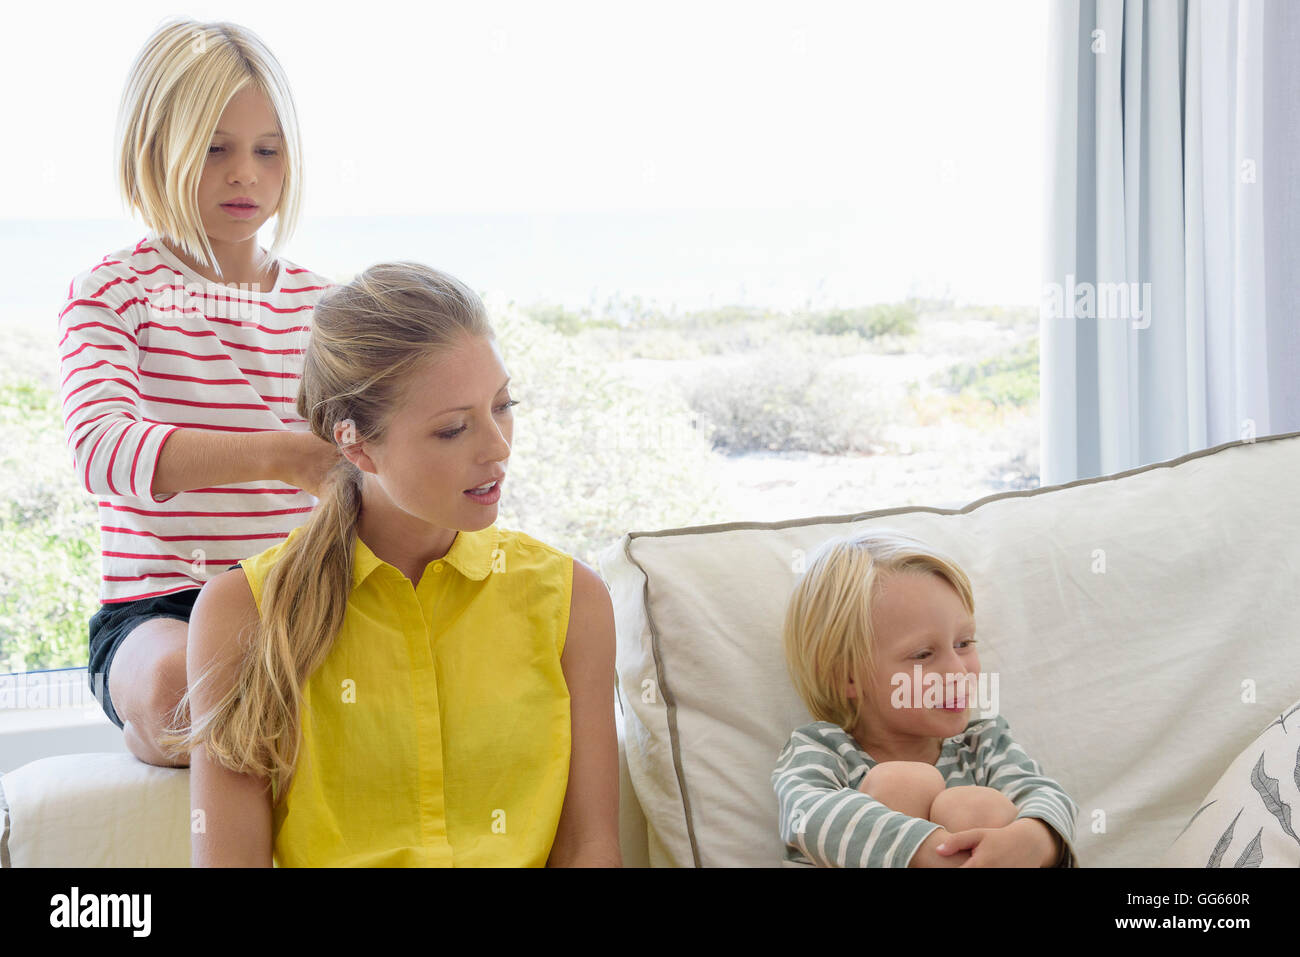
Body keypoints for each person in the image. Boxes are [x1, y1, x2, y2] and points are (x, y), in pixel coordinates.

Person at [157, 262, 621, 867]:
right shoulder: (243, 610)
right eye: (453, 429)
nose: (498, 447)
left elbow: (591, 846)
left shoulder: (571, 600)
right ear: (355, 443)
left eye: (503, 406)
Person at [58, 18, 338, 769]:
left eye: (267, 150)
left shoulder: (330, 308)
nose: (244, 172)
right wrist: (287, 456)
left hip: (299, 599)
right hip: (159, 608)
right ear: (154, 153)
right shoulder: (112, 293)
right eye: (215, 148)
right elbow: (102, 450)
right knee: (186, 687)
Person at [771, 528, 1079, 867]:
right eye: (922, 655)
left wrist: (1033, 841)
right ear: (846, 676)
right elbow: (809, 819)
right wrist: (931, 853)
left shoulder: (984, 743)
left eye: (964, 644)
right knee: (903, 783)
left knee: (976, 808)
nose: (958, 673)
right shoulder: (819, 751)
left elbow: (1047, 796)